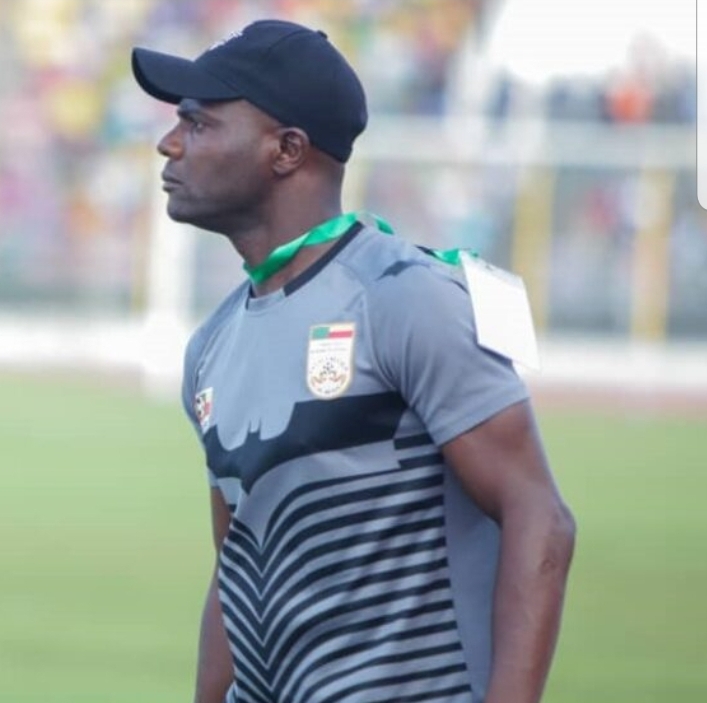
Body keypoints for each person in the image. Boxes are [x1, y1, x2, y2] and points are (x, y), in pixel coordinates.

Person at [132, 19, 576, 703]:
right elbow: (237, 563)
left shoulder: (405, 298)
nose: (169, 142)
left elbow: (538, 516)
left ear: (286, 150)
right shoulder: (212, 343)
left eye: (198, 122)